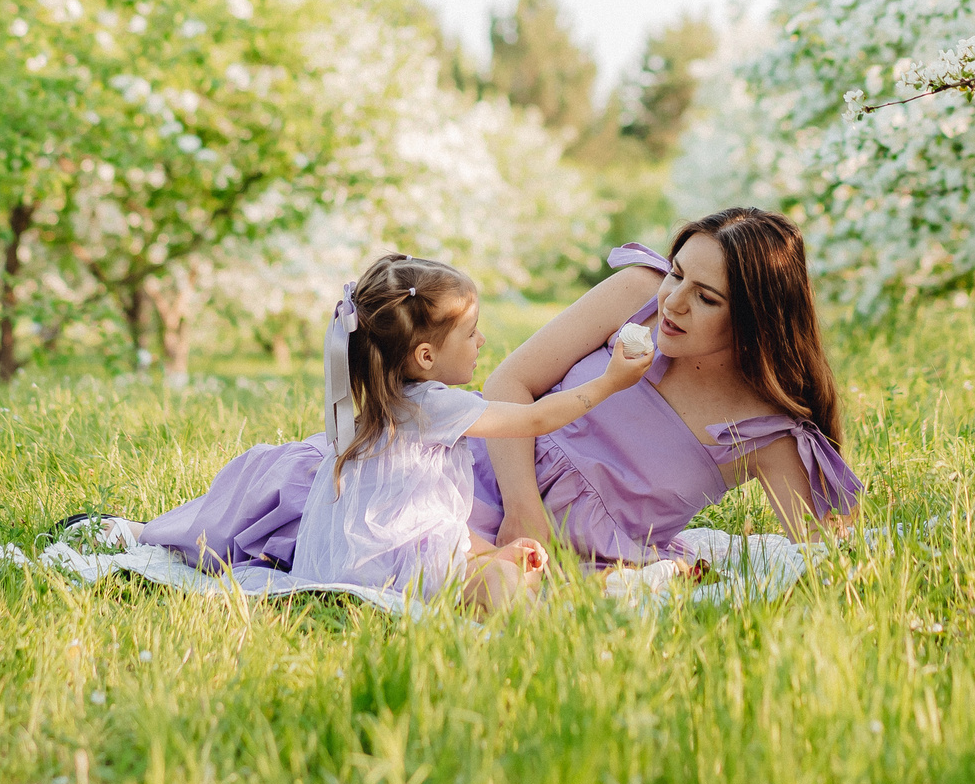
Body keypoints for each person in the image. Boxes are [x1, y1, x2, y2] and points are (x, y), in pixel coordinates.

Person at [138, 208, 859, 573]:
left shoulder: (767, 432)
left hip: (577, 554)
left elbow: (825, 550)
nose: (673, 302)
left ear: (757, 318)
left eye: (706, 298)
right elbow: (514, 379)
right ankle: (139, 534)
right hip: (484, 478)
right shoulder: (636, 294)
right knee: (313, 500)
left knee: (452, 571)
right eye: (678, 274)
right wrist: (524, 508)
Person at [285, 252, 653, 608]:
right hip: (391, 571)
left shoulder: (384, 410)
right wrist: (610, 382)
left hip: (368, 561)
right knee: (508, 583)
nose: (482, 341)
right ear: (426, 356)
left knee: (513, 569)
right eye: (471, 332)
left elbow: (426, 517)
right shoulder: (432, 406)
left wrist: (492, 552)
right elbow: (536, 418)